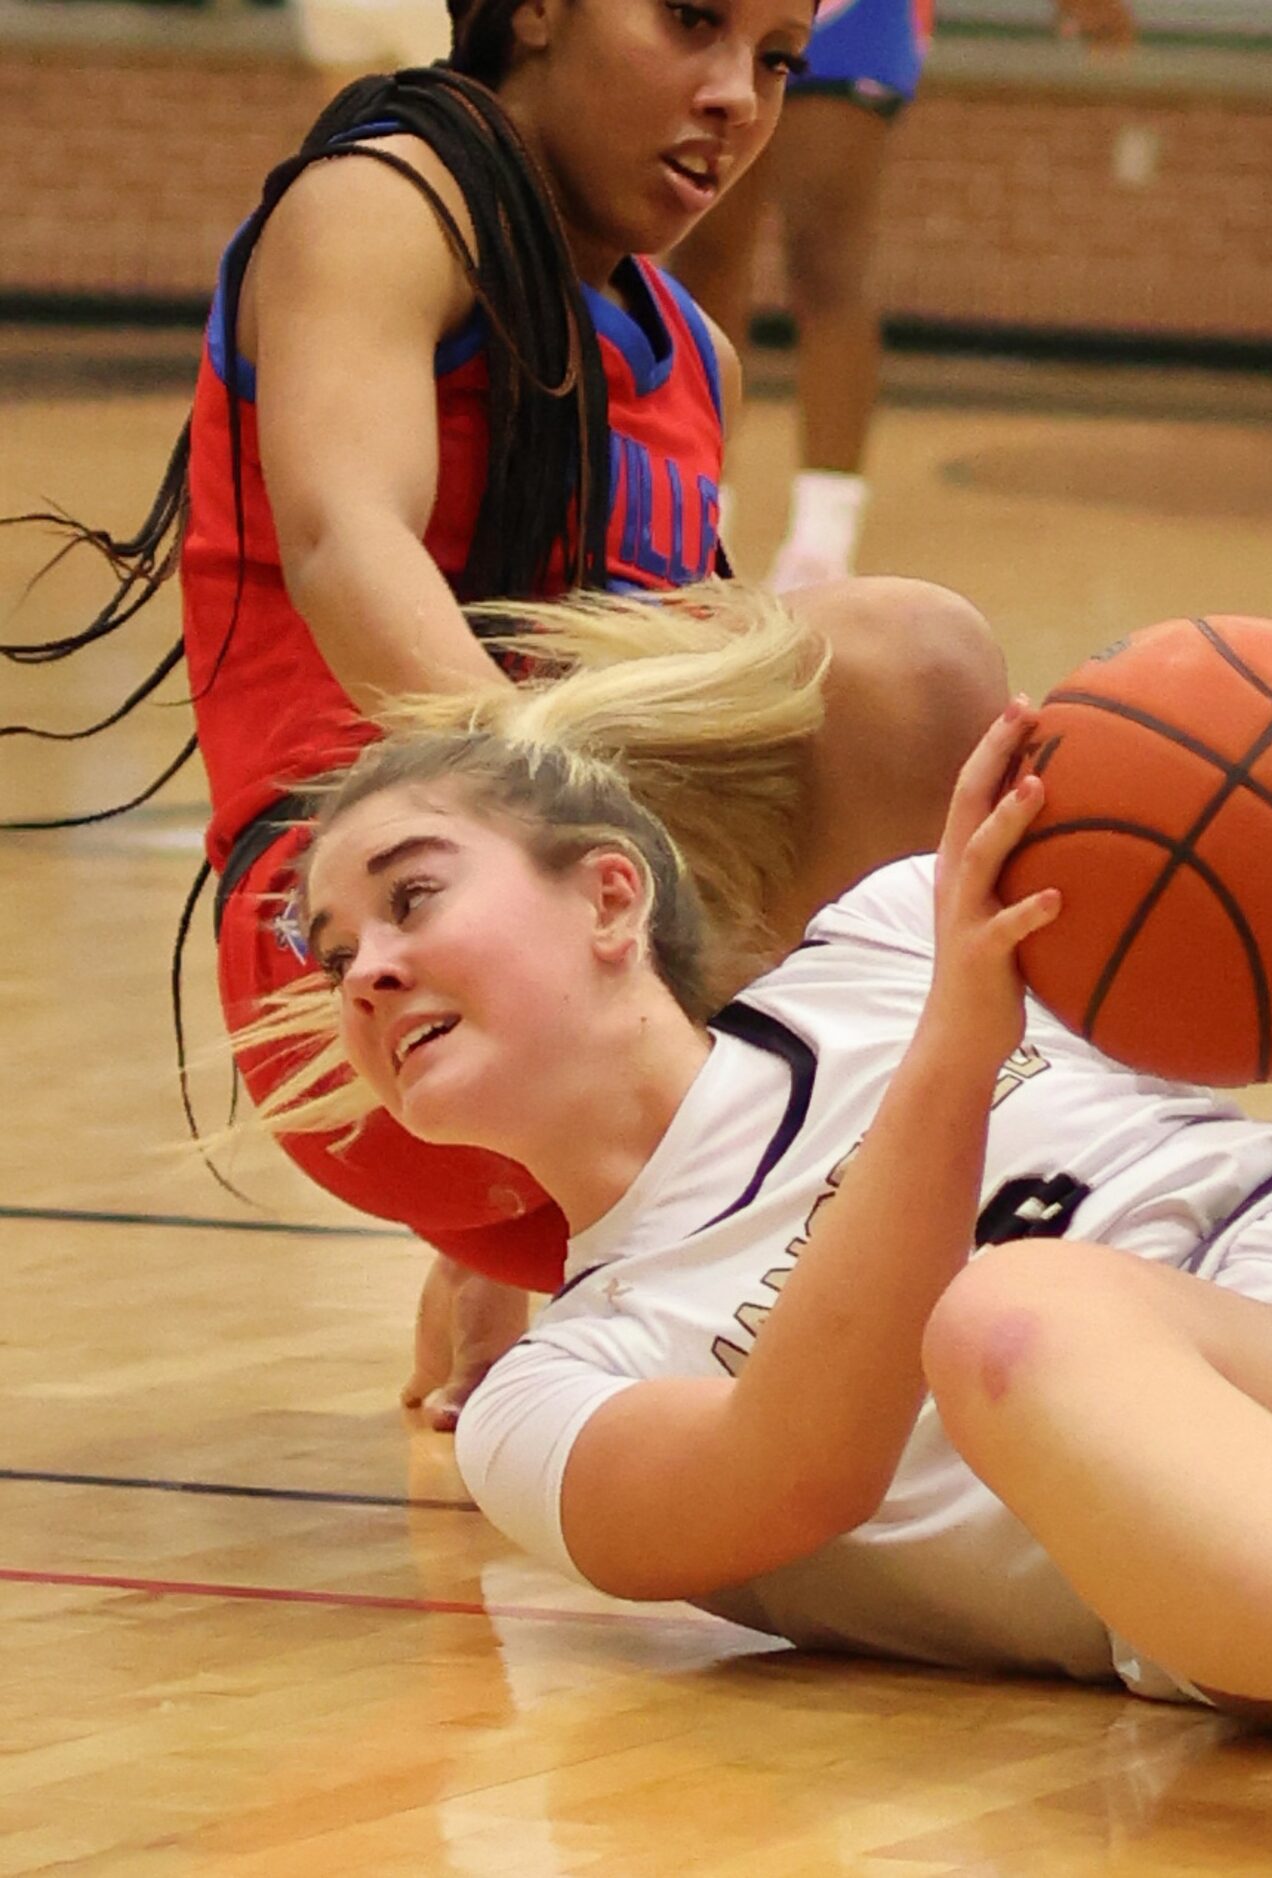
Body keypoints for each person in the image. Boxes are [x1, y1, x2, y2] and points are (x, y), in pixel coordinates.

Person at [277, 583, 1272, 1861]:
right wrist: (954, 1059)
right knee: (1015, 1315)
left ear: (611, 897)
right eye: (338, 958)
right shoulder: (548, 1395)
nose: (371, 971)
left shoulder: (896, 931)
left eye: (412, 896)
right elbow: (798, 1465)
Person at [0, 0, 1009, 1426]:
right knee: (904, 657)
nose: (737, 99)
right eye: (693, 23)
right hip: (356, 947)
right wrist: (576, 894)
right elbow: (350, 540)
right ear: (536, 8)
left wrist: (499, 1237)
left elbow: (667, 717)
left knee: (1080, 747)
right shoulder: (382, 200)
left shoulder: (687, 353)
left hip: (565, 990)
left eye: (776, 62)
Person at [666, 0, 1134, 591]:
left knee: (827, 258)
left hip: (853, 17)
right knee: (701, 254)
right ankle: (691, 514)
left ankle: (820, 548)